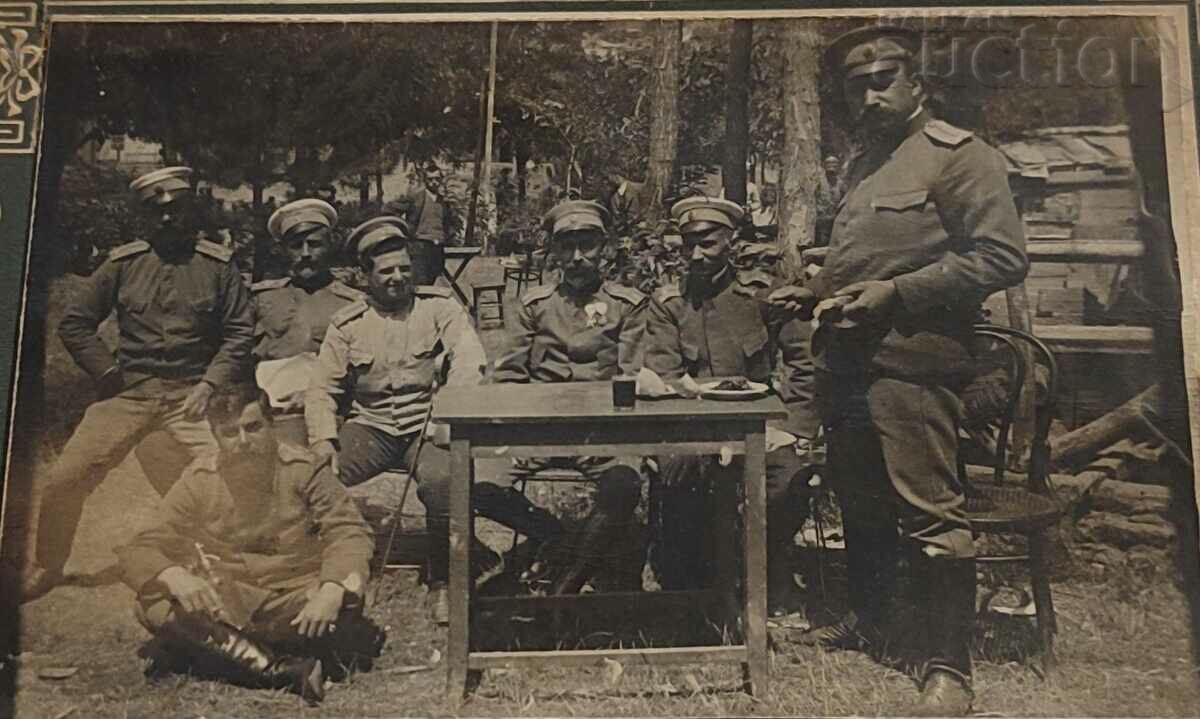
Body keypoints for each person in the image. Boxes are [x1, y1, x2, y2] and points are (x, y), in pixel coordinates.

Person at [768, 25, 1028, 716]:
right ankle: (876, 619)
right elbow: (870, 258)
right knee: (861, 501)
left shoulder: (960, 156)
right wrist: (819, 290)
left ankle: (949, 667)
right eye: (857, 84)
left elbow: (1002, 258)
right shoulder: (866, 162)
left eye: (884, 78)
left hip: (914, 363)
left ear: (917, 82)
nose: (871, 92)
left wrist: (897, 295)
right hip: (848, 362)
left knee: (930, 513)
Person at [305, 216, 564, 625]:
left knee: (443, 480)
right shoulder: (347, 325)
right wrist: (323, 439)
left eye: (403, 269)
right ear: (365, 276)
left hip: (426, 427)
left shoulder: (439, 308)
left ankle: (445, 581)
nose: (396, 278)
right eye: (385, 271)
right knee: (312, 476)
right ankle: (331, 570)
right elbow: (322, 388)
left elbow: (469, 361)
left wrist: (445, 415)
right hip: (371, 427)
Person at [22, 167, 254, 601]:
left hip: (192, 395)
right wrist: (107, 373)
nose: (167, 220)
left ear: (192, 212)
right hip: (130, 393)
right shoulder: (123, 264)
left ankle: (239, 561)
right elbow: (75, 323)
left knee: (230, 476)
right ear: (145, 218)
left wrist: (210, 383)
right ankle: (48, 566)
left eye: (176, 210)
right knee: (64, 478)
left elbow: (241, 331)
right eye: (156, 212)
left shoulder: (218, 267)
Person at [115, 383, 382, 705]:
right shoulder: (200, 477)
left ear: (272, 426)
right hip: (230, 599)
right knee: (151, 602)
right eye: (230, 433)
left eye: (253, 428)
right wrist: (175, 574)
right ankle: (281, 669)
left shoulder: (304, 469)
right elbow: (141, 544)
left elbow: (349, 531)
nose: (243, 441)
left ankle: (214, 649)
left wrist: (330, 588)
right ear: (215, 436)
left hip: (296, 599)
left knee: (346, 601)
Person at [641, 197, 819, 616]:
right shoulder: (670, 302)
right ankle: (697, 584)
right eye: (688, 244)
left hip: (760, 429)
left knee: (787, 481)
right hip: (691, 427)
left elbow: (804, 360)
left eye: (707, 243)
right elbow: (663, 371)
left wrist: (791, 426)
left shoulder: (763, 296)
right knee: (677, 476)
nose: (696, 254)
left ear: (731, 241)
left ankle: (771, 568)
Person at [493, 200, 649, 593]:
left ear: (605, 247)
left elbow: (633, 376)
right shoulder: (533, 305)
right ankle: (557, 538)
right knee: (473, 482)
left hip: (604, 432)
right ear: (554, 251)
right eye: (567, 247)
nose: (578, 257)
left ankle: (568, 581)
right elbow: (509, 376)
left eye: (588, 245)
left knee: (624, 483)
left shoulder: (627, 306)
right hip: (537, 431)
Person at [250, 199, 364, 446]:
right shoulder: (261, 299)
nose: (305, 254)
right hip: (265, 406)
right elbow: (240, 355)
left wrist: (315, 396)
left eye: (314, 244)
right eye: (295, 245)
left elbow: (362, 373)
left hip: (323, 410)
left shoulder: (352, 303)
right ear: (282, 250)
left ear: (330, 246)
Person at [403, 162, 451, 286]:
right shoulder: (417, 197)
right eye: (430, 179)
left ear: (441, 180)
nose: (434, 182)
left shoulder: (444, 201)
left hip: (437, 247)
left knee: (432, 281)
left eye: (437, 179)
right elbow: (394, 210)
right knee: (420, 284)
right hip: (420, 246)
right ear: (425, 180)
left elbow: (446, 224)